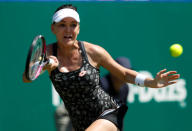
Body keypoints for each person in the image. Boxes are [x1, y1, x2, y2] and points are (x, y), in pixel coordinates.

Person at [23, 4, 180, 131]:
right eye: (62, 25)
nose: (68, 30)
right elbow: (27, 78)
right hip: (79, 124)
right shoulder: (47, 52)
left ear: (78, 28)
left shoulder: (93, 52)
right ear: (53, 29)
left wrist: (151, 82)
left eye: (73, 25)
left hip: (107, 115)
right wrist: (45, 64)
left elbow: (124, 73)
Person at [54, 57, 131, 131]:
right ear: (114, 71)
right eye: (122, 72)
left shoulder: (125, 89)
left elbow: (117, 117)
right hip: (68, 113)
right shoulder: (101, 85)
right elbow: (83, 114)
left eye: (128, 71)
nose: (124, 75)